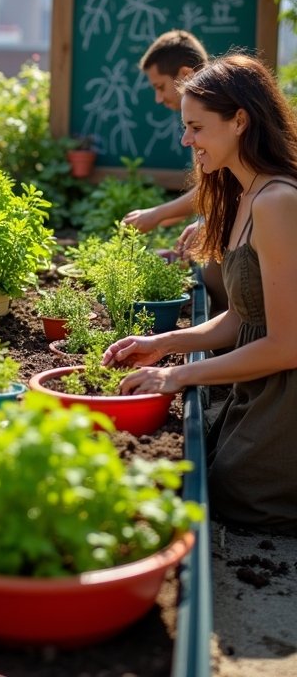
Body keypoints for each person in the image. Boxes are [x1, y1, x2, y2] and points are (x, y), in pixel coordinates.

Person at [104, 53, 297, 533]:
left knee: (232, 495)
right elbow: (243, 318)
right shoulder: (242, 194)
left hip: (285, 398)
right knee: (199, 473)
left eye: (195, 127)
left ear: (239, 121)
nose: (185, 139)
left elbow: (286, 345)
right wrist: (164, 346)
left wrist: (176, 380)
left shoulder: (278, 201)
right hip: (259, 389)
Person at [122, 29, 228, 313]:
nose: (158, 98)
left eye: (159, 87)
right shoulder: (203, 117)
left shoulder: (217, 118)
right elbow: (216, 190)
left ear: (184, 74)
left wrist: (158, 214)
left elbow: (218, 189)